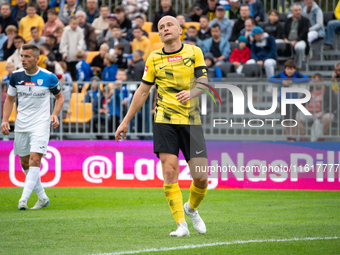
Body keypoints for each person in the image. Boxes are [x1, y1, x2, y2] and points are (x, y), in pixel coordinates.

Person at [115, 16, 209, 237]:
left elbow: (203, 82)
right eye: (161, 27)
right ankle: (181, 224)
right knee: (169, 170)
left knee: (201, 177)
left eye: (169, 25)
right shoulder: (154, 58)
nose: (165, 29)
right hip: (164, 120)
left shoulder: (194, 52)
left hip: (191, 121)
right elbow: (143, 91)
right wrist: (125, 120)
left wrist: (193, 92)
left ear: (179, 29)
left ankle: (191, 209)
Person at [1, 43, 64, 210]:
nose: (23, 59)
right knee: (24, 162)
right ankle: (42, 197)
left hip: (41, 123)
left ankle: (23, 199)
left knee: (35, 159)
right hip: (21, 124)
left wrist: (54, 114)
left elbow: (60, 98)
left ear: (37, 59)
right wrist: (5, 119)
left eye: (27, 56)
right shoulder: (15, 76)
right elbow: (9, 99)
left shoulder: (49, 77)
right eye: (22, 56)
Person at [268, 59, 309, 139]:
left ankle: (293, 137)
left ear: (294, 69)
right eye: (288, 69)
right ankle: (288, 137)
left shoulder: (296, 74)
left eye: (291, 69)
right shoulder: (281, 74)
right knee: (286, 120)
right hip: (283, 101)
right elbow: (270, 79)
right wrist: (282, 82)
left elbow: (306, 79)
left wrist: (293, 81)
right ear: (285, 69)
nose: (289, 71)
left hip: (293, 101)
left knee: (293, 120)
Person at [293, 73, 338, 139]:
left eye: (316, 82)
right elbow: (301, 101)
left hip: (322, 113)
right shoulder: (310, 89)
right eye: (313, 82)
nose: (315, 84)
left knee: (329, 117)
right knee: (295, 115)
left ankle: (322, 137)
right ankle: (303, 136)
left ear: (321, 81)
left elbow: (334, 105)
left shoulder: (328, 90)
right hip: (308, 112)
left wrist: (323, 112)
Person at [282, 4, 310, 69]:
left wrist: (296, 40)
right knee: (276, 42)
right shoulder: (288, 20)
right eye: (296, 10)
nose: (298, 12)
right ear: (292, 12)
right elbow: (283, 31)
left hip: (300, 40)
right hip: (288, 40)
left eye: (299, 10)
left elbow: (304, 33)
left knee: (299, 47)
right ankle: (281, 65)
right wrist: (285, 39)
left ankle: (298, 66)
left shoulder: (305, 20)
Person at [59, 16, 84, 80]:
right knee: (69, 73)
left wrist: (78, 53)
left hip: (76, 57)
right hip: (68, 56)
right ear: (70, 23)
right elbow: (64, 42)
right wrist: (64, 52)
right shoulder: (66, 30)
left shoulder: (80, 31)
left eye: (76, 23)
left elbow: (80, 42)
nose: (75, 25)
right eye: (73, 23)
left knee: (76, 74)